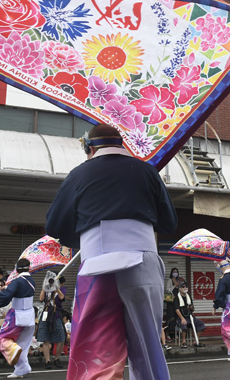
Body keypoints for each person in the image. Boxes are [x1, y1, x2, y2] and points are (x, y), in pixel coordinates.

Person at [45, 123, 178, 379]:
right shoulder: (147, 170)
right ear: (121, 143)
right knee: (148, 346)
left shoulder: (79, 174)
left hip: (96, 262)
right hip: (142, 260)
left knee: (95, 350)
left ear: (90, 148)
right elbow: (168, 223)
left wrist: (84, 232)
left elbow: (54, 224)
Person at [0, 257, 36, 378]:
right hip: (30, 316)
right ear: (29, 268)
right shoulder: (31, 281)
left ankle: (19, 361)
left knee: (2, 339)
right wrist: (8, 288)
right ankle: (20, 370)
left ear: (16, 269)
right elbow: (20, 291)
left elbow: (5, 298)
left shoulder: (16, 281)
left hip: (17, 315)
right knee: (22, 345)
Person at [38, 275, 66, 369]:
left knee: (61, 338)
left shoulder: (61, 289)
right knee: (45, 339)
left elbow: (62, 298)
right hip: (46, 315)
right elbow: (41, 299)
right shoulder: (46, 289)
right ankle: (47, 361)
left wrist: (56, 288)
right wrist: (44, 287)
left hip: (56, 315)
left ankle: (56, 359)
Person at [173, 282, 205, 347]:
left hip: (190, 317)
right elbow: (177, 310)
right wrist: (182, 318)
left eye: (186, 286)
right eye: (183, 287)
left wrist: (191, 308)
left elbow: (192, 309)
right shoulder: (177, 298)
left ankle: (196, 341)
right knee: (184, 324)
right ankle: (183, 342)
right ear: (180, 289)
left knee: (201, 324)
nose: (185, 288)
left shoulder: (188, 297)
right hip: (180, 318)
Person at [165, 267, 185, 336]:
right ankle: (168, 334)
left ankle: (175, 333)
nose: (175, 273)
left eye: (176, 272)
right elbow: (167, 290)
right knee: (170, 317)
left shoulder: (178, 281)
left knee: (176, 317)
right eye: (174, 272)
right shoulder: (169, 281)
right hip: (171, 301)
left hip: (177, 302)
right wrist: (174, 286)